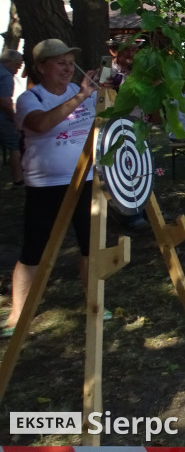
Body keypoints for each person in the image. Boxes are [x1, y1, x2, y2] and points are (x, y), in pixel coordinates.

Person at [5, 39, 100, 336]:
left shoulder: (81, 92)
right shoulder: (31, 99)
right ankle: (19, 314)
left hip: (84, 180)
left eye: (70, 62)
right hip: (46, 185)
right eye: (60, 62)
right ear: (42, 67)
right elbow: (41, 124)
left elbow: (103, 118)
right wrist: (82, 95)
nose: (68, 68)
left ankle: (94, 302)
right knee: (34, 249)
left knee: (90, 244)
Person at [0, 49, 25, 187]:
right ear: (8, 62)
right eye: (17, 65)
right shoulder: (5, 76)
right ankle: (18, 179)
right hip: (2, 118)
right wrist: (15, 119)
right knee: (14, 143)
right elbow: (4, 101)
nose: (18, 69)